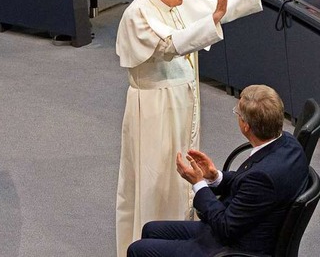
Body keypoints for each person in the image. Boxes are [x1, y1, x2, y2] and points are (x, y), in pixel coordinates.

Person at [115, 0, 277, 257]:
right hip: (154, 109)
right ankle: (147, 245)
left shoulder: (176, 0)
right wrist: (214, 17)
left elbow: (214, 10)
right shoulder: (139, 13)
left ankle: (181, 240)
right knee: (156, 176)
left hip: (181, 103)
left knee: (182, 173)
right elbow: (169, 46)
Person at [126, 84, 309, 257]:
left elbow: (225, 227)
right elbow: (247, 185)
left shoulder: (263, 178)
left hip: (233, 246)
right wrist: (215, 177)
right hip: (247, 224)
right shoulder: (288, 143)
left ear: (246, 126)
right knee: (150, 229)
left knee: (138, 250)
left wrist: (199, 184)